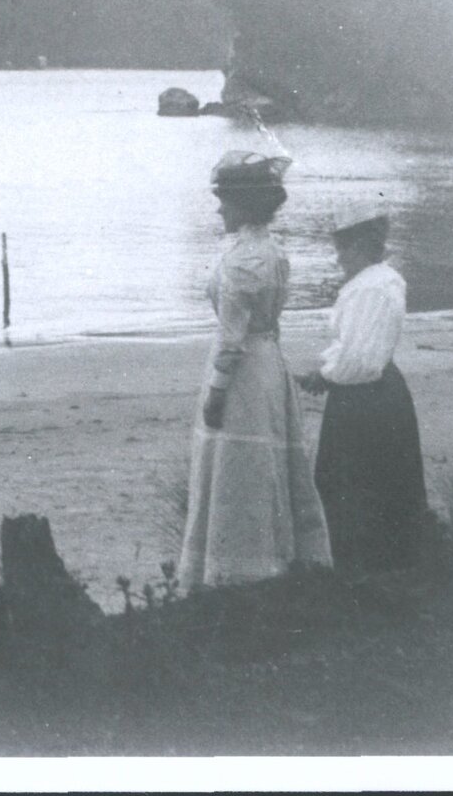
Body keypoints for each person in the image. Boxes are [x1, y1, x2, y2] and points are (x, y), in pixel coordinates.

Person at [178, 150, 332, 590]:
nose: (219, 207)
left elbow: (231, 337)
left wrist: (216, 389)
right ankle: (273, 561)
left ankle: (233, 573)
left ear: (242, 205)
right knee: (266, 463)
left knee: (236, 465)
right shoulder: (272, 250)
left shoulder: (242, 260)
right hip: (270, 363)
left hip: (244, 371)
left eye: (225, 200)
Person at [298, 200, 428, 574]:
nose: (338, 258)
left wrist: (326, 374)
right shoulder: (381, 280)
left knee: (355, 484)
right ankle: (385, 570)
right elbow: (357, 346)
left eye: (342, 249)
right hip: (380, 390)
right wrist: (327, 367)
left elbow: (361, 360)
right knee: (384, 482)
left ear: (359, 247)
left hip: (365, 400)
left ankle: (364, 576)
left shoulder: (369, 289)